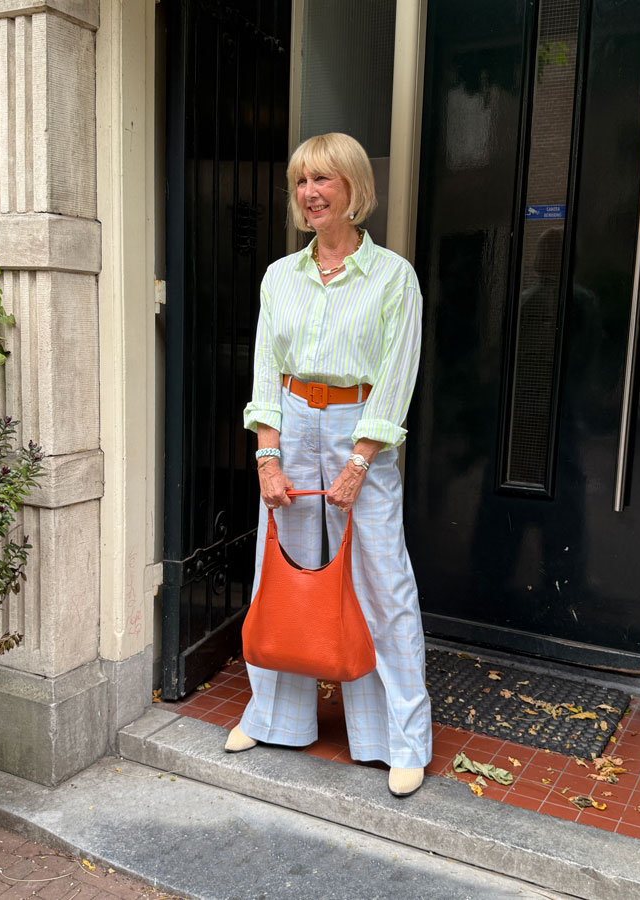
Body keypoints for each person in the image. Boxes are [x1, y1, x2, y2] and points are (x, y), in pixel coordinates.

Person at [224, 132, 432, 797]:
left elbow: (397, 377)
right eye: (301, 182)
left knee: (378, 580)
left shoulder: (393, 276)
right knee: (280, 573)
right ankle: (274, 716)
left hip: (357, 424)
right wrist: (266, 456)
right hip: (288, 423)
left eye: (323, 180)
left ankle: (398, 740)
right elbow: (264, 370)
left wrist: (360, 459)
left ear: (352, 188)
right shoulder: (278, 277)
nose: (310, 194)